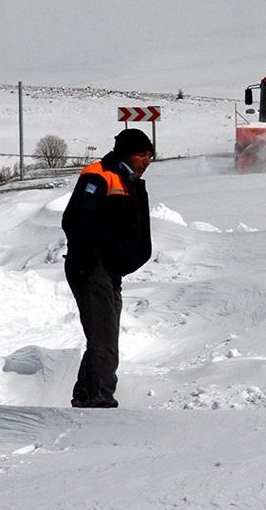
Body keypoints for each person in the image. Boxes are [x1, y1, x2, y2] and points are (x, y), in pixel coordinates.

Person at [61, 128, 154, 408]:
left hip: (111, 270)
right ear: (126, 153)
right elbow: (75, 220)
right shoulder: (98, 175)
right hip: (91, 267)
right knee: (103, 337)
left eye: (150, 155)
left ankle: (86, 393)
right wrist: (89, 259)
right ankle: (100, 398)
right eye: (142, 154)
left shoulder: (128, 180)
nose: (147, 160)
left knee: (104, 335)